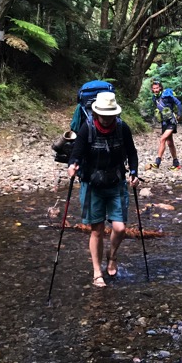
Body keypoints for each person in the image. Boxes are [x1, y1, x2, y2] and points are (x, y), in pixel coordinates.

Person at [67, 91, 139, 288]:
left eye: (110, 116)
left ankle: (112, 256)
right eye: (104, 116)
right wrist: (73, 165)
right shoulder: (86, 128)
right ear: (97, 113)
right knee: (97, 230)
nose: (107, 119)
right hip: (92, 185)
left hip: (116, 182)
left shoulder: (122, 128)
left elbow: (132, 152)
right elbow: (77, 153)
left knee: (120, 228)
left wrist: (134, 172)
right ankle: (97, 271)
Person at [148, 78, 182, 170]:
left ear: (160, 88)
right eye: (154, 88)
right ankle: (176, 163)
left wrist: (179, 114)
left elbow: (178, 103)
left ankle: (157, 162)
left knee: (162, 139)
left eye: (157, 88)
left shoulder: (166, 95)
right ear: (152, 89)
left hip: (171, 121)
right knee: (170, 142)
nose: (155, 90)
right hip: (164, 122)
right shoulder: (154, 98)